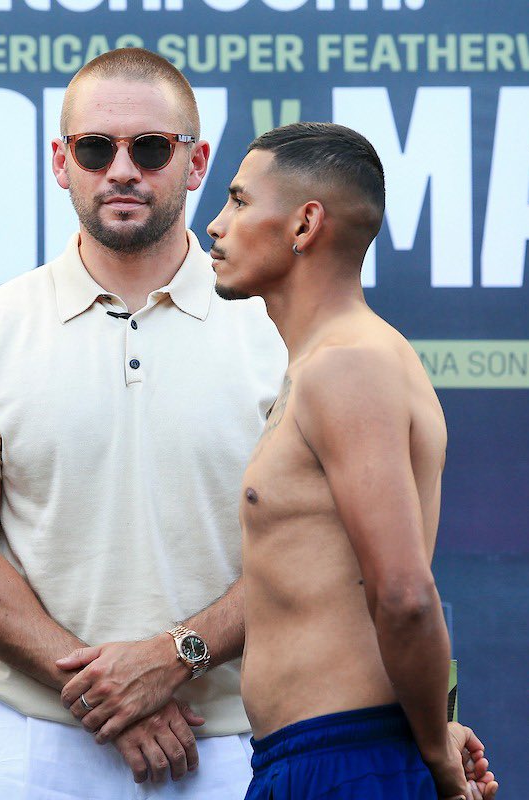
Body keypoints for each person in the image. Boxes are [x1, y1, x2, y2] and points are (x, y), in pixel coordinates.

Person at [0, 48, 286, 798]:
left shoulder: (276, 328)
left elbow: (317, 544)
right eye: (94, 148)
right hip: (29, 741)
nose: (122, 170)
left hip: (232, 742)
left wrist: (179, 657)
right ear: (61, 160)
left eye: (150, 149)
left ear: (197, 160)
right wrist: (102, 689)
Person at [201, 122, 499, 800]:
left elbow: (404, 593)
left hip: (346, 760)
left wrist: (432, 755)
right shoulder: (322, 365)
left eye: (240, 201)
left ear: (305, 224)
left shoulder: (348, 366)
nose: (215, 226)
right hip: (317, 756)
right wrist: (430, 734)